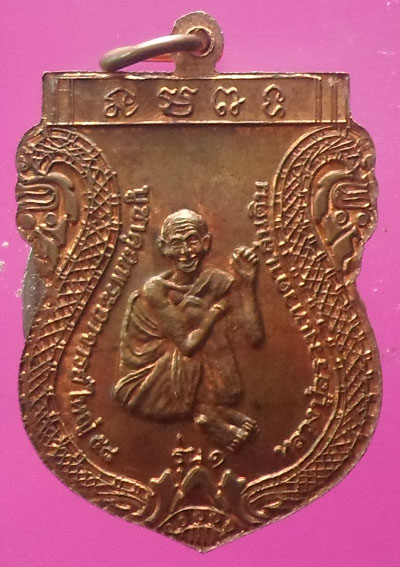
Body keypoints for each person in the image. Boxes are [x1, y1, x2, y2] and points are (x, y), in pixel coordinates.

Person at [113, 209, 265, 451]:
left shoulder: (217, 282)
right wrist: (212, 313)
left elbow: (255, 337)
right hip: (150, 382)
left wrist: (247, 286)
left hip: (209, 378)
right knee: (197, 315)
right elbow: (185, 346)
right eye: (176, 243)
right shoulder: (155, 290)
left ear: (206, 243)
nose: (185, 252)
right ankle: (205, 414)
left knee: (200, 317)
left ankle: (214, 408)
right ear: (163, 247)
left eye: (192, 240)